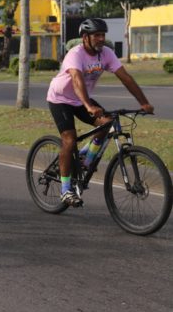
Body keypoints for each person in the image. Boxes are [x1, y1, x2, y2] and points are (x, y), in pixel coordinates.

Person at [46, 18, 154, 207]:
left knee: (107, 123)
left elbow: (126, 78)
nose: (101, 39)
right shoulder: (75, 54)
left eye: (103, 35)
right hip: (60, 98)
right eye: (97, 35)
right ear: (85, 37)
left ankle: (85, 162)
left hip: (81, 99)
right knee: (69, 140)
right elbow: (77, 81)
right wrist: (88, 106)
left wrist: (144, 102)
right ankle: (65, 190)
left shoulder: (106, 54)